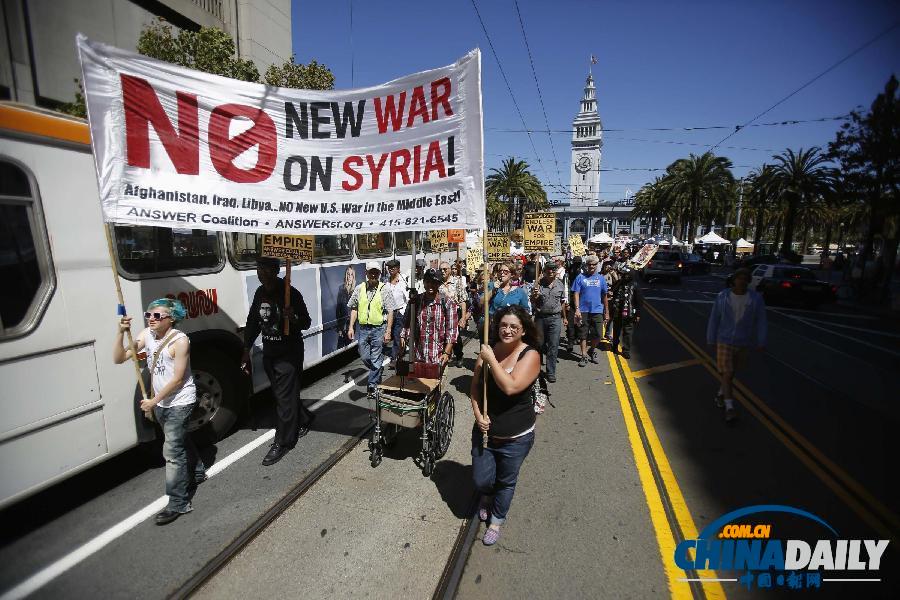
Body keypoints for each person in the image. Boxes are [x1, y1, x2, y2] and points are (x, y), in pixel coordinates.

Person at [115, 298, 206, 525]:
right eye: (149, 315)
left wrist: (153, 401)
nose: (152, 319)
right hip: (162, 404)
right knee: (179, 439)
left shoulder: (180, 341)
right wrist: (120, 333)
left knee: (172, 451)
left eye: (158, 316)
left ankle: (179, 503)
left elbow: (177, 380)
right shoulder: (146, 335)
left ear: (171, 318)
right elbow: (119, 358)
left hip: (180, 401)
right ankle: (198, 470)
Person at [469, 305, 541, 546]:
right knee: (482, 480)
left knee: (506, 481)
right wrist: (478, 414)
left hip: (517, 437)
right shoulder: (489, 350)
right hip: (486, 434)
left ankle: (497, 520)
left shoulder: (530, 355)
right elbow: (476, 388)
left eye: (513, 327)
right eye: (503, 325)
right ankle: (486, 496)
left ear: (523, 331)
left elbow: (511, 387)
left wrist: (491, 360)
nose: (507, 330)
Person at [242, 257, 314, 466]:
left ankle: (283, 442)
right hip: (270, 353)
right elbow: (253, 322)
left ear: (276, 271)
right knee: (283, 395)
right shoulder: (260, 292)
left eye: (265, 269)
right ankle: (304, 418)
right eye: (258, 268)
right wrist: (246, 348)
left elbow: (306, 322)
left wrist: (293, 319)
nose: (261, 273)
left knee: (283, 399)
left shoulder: (290, 293)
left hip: (288, 354)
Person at [706, 268, 767, 423]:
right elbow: (714, 318)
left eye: (745, 278)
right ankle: (729, 407)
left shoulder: (755, 299)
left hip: (743, 341)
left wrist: (761, 340)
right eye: (739, 278)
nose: (742, 281)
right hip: (724, 340)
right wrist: (710, 338)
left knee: (731, 374)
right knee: (727, 373)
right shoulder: (723, 297)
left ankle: (721, 394)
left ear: (748, 281)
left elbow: (761, 321)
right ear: (734, 280)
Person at [347, 261, 398, 395]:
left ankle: (372, 385)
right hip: (363, 328)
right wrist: (351, 327)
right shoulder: (359, 288)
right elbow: (354, 308)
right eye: (371, 272)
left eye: (376, 272)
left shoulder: (384, 288)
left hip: (379, 329)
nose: (374, 275)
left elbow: (391, 310)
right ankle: (377, 369)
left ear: (380, 274)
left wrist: (388, 331)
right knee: (364, 356)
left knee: (375, 357)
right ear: (366, 273)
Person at [400, 268, 458, 367]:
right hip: (418, 356)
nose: (430, 285)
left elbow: (452, 331)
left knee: (435, 382)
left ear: (439, 284)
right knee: (418, 382)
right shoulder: (416, 301)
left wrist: (447, 352)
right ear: (423, 282)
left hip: (438, 357)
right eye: (428, 282)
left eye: (434, 282)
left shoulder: (447, 303)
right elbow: (408, 322)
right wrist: (403, 337)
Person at [530, 261, 567, 383]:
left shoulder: (561, 285)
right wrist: (535, 296)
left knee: (553, 345)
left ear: (556, 271)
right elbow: (532, 301)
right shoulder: (538, 284)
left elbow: (562, 302)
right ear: (544, 271)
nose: (551, 272)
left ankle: (551, 372)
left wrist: (564, 317)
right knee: (539, 344)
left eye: (553, 269)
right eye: (548, 270)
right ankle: (537, 369)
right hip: (540, 318)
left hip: (555, 318)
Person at [571, 254, 609, 367]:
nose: (591, 266)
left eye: (594, 264)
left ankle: (592, 350)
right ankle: (583, 356)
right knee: (583, 335)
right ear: (586, 265)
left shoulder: (601, 278)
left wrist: (607, 312)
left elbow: (604, 296)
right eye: (589, 264)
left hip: (597, 310)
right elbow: (576, 293)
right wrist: (577, 309)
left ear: (597, 265)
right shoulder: (580, 277)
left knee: (598, 334)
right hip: (583, 310)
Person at [440, 261, 469, 367]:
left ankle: (459, 355)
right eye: (441, 269)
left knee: (455, 336)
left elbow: (463, 300)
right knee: (442, 335)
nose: (442, 271)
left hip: (455, 312)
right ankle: (445, 354)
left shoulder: (457, 282)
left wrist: (463, 318)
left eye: (445, 269)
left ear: (449, 270)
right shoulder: (438, 282)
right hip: (442, 313)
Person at [610, 266, 643, 359]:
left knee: (628, 332)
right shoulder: (618, 283)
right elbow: (612, 292)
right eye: (623, 274)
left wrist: (638, 314)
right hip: (617, 311)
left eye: (626, 275)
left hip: (629, 313)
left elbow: (639, 301)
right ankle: (614, 346)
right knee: (616, 330)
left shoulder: (635, 285)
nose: (624, 276)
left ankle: (626, 350)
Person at [384, 258, 409, 369]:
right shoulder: (386, 282)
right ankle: (401, 350)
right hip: (389, 313)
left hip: (400, 312)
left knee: (397, 335)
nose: (390, 270)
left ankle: (395, 358)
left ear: (398, 269)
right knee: (391, 335)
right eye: (389, 268)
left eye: (393, 268)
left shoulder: (403, 282)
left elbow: (408, 298)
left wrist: (407, 313)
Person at [336, 265, 356, 350]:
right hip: (342, 324)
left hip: (351, 324)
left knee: (349, 347)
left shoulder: (356, 290)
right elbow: (338, 310)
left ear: (354, 277)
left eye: (351, 275)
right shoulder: (341, 289)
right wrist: (340, 328)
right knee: (339, 348)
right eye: (348, 274)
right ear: (346, 275)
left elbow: (356, 310)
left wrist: (351, 327)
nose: (349, 277)